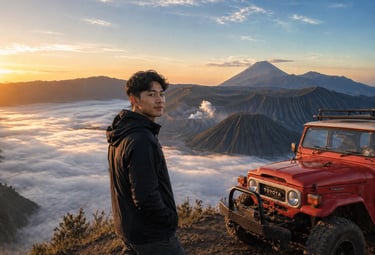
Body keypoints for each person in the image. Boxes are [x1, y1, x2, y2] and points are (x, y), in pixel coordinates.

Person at [106, 70, 184, 255]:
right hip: (152, 236)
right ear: (134, 100)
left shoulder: (121, 133)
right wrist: (168, 220)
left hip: (130, 229)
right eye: (151, 94)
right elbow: (145, 196)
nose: (160, 100)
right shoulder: (141, 139)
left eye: (161, 94)